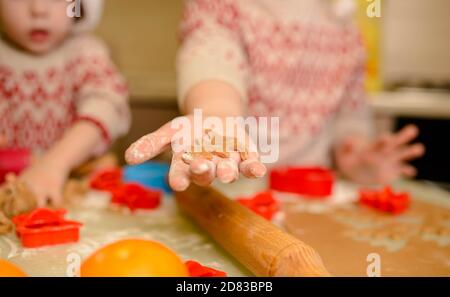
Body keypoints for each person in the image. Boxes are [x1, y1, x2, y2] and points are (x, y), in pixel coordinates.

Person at [126, 0, 424, 191]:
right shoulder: (222, 5)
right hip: (227, 189)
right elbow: (211, 57)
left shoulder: (347, 26)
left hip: (309, 199)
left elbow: (350, 113)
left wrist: (357, 153)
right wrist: (216, 116)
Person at [0, 0, 130, 205]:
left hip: (74, 189)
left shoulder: (86, 52)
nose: (38, 10)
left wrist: (56, 163)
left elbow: (106, 107)